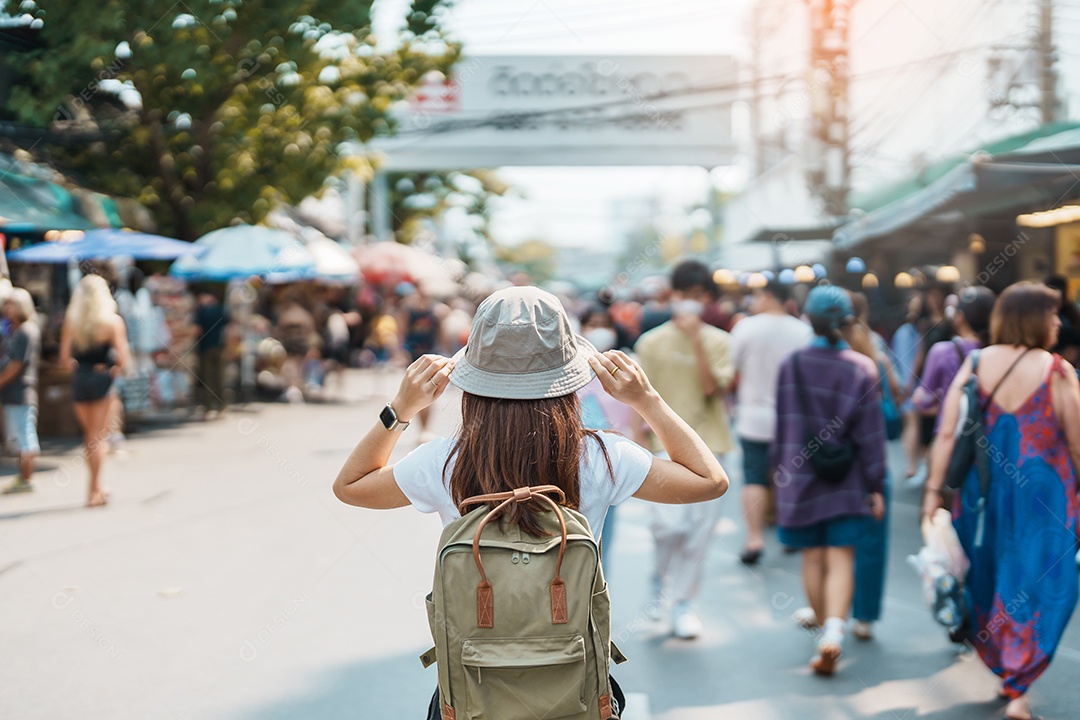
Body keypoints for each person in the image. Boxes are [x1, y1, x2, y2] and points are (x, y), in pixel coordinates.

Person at [332, 286, 729, 718]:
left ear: (473, 382)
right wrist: (646, 400)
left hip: (476, 695)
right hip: (574, 690)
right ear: (567, 379)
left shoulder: (444, 462)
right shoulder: (601, 456)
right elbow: (709, 481)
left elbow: (351, 486)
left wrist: (400, 409)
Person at [922, 282, 1080, 720]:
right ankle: (1019, 681)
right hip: (1045, 497)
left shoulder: (975, 362)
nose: (1057, 323)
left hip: (983, 494)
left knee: (989, 573)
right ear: (1034, 319)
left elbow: (947, 432)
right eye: (1051, 315)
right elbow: (1077, 442)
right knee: (1042, 581)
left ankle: (1005, 666)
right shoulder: (1056, 370)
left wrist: (933, 491)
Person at [772, 285, 886, 675]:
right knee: (842, 556)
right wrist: (875, 484)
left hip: (799, 475)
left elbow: (782, 425)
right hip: (848, 479)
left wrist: (778, 473)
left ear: (809, 319)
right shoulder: (861, 367)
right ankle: (835, 633)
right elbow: (871, 435)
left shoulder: (791, 365)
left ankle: (823, 629)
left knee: (812, 556)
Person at [635, 260, 735, 639]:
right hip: (662, 447)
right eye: (684, 294)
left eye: (698, 296)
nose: (690, 301)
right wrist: (636, 441)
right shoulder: (651, 342)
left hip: (710, 447)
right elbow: (638, 399)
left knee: (699, 532)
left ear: (707, 299)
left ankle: (683, 604)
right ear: (672, 295)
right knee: (668, 526)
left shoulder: (720, 341)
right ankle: (659, 580)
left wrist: (696, 340)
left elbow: (713, 389)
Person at [729, 279, 812, 564]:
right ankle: (789, 532)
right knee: (790, 474)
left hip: (753, 417)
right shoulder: (803, 330)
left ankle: (754, 539)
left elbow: (731, 367)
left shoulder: (746, 328)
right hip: (792, 418)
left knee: (754, 476)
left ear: (766, 296)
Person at [577, 305, 643, 575]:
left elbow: (638, 413)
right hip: (572, 462)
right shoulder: (569, 369)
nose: (599, 330)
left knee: (603, 537)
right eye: (593, 324)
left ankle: (598, 591)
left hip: (612, 464)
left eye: (604, 324)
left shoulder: (625, 368)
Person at [59, 275, 131, 507]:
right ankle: (95, 489)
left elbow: (64, 359)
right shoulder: (112, 322)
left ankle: (95, 488)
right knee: (98, 436)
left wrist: (81, 369)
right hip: (102, 380)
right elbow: (123, 358)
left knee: (89, 435)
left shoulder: (72, 321)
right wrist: (110, 370)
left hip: (81, 378)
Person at [0, 289, 41, 494]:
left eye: (12, 305)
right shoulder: (15, 330)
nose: (8, 309)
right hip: (14, 391)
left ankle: (27, 478)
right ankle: (23, 477)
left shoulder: (26, 331)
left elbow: (16, 364)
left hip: (20, 391)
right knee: (18, 435)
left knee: (24, 435)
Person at [397, 282, 440, 441]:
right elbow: (401, 331)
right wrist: (400, 351)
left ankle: (425, 429)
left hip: (430, 352)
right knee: (417, 390)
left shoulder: (436, 310)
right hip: (413, 353)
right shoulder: (408, 309)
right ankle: (421, 429)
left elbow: (440, 332)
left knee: (431, 389)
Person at [194, 290, 228, 419]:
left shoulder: (202, 311)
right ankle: (221, 407)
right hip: (219, 347)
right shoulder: (220, 310)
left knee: (207, 379)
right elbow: (228, 325)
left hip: (205, 348)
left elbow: (197, 329)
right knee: (219, 378)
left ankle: (208, 408)